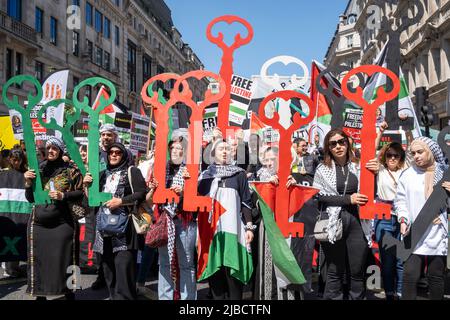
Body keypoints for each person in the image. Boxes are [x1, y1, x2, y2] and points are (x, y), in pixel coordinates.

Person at [313, 129, 374, 300]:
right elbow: (319, 196)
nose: (338, 146)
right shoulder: (322, 169)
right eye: (333, 144)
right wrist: (348, 199)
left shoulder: (360, 165)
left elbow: (373, 189)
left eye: (342, 142)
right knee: (334, 271)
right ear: (328, 148)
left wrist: (377, 171)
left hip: (358, 221)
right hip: (333, 222)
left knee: (357, 270)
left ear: (348, 143)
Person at [83, 142, 147, 300]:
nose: (113, 154)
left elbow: (141, 194)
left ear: (123, 155)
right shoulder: (102, 174)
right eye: (111, 152)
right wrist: (86, 186)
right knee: (108, 270)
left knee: (124, 269)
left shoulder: (132, 171)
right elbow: (91, 201)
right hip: (103, 230)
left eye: (118, 152)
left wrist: (121, 201)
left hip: (124, 231)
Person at [23, 137, 84, 300]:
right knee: (40, 261)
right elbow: (30, 198)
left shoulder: (71, 170)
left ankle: (69, 294)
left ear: (60, 151)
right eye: (48, 147)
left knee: (65, 261)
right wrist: (28, 182)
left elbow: (80, 193)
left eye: (54, 148)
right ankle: (40, 295)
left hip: (63, 223)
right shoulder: (38, 169)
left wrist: (63, 195)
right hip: (40, 224)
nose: (50, 151)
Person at [197, 139, 255, 300]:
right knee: (215, 275)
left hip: (233, 230)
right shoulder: (205, 176)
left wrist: (249, 227)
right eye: (221, 149)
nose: (224, 152)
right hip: (212, 233)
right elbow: (198, 201)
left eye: (227, 149)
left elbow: (246, 202)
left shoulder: (239, 174)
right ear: (213, 153)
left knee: (233, 276)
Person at [395, 137, 449, 300]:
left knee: (435, 276)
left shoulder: (446, 172)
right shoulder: (407, 174)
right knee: (410, 276)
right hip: (414, 231)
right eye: (413, 153)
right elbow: (400, 200)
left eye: (420, 152)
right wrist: (403, 219)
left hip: (438, 233)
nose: (416, 156)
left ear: (431, 151)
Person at [156, 137, 197, 300]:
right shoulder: (160, 169)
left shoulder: (191, 170)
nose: (175, 150)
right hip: (165, 220)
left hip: (184, 221)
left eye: (179, 147)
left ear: (184, 151)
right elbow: (150, 196)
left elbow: (198, 196)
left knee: (186, 264)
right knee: (164, 263)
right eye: (172, 147)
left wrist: (184, 191)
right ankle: (164, 297)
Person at [0, 146, 31, 278]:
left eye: (18, 160)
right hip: (7, 214)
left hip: (22, 215)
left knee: (22, 240)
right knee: (7, 239)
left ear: (22, 160)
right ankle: (10, 269)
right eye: (14, 160)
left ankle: (19, 268)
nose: (16, 162)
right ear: (10, 160)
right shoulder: (3, 176)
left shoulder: (28, 175)